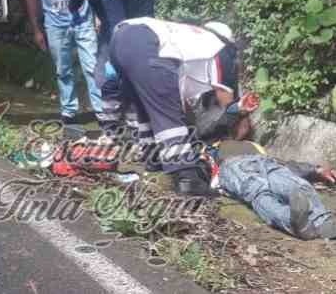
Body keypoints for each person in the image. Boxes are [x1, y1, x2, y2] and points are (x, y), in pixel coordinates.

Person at [105, 17, 259, 196]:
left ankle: (154, 160)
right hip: (144, 40)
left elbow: (180, 104)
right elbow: (225, 96)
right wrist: (240, 118)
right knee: (166, 113)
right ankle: (187, 179)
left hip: (120, 39)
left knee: (146, 108)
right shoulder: (219, 47)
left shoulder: (188, 40)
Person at [39, 0, 154, 133]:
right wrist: (73, 10)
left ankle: (140, 130)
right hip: (112, 18)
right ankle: (111, 132)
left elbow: (117, 18)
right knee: (102, 74)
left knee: (127, 71)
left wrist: (117, 56)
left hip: (134, 18)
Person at [215, 140, 336, 239]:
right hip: (233, 166)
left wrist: (315, 169)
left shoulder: (254, 146)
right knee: (260, 194)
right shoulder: (215, 150)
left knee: (299, 186)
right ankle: (295, 224)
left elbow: (290, 166)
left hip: (268, 163)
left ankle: (323, 224)